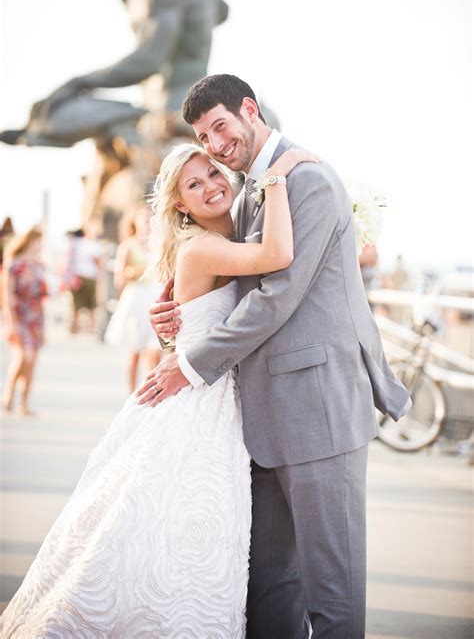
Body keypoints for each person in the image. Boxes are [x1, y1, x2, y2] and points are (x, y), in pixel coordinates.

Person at [0, 143, 317, 637]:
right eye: (195, 185)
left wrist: (169, 334)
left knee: (181, 527)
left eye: (213, 173)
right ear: (179, 206)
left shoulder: (221, 234)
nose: (212, 184)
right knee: (180, 526)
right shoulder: (204, 246)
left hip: (209, 393)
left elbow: (194, 317)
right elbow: (277, 255)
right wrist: (279, 173)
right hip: (198, 402)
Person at [140, 74, 411, 638]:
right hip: (255, 420)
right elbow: (231, 286)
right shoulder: (242, 189)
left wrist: (189, 365)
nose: (214, 145)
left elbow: (278, 296)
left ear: (249, 110)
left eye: (219, 128)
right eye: (203, 137)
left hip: (319, 413)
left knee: (331, 597)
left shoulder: (306, 180)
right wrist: (178, 317)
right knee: (267, 590)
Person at [105, 207, 161, 392]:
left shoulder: (160, 244)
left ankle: (151, 390)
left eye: (150, 218)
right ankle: (131, 392)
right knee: (136, 349)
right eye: (143, 219)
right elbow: (119, 279)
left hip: (155, 295)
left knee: (156, 348)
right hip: (137, 297)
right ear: (135, 221)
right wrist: (136, 271)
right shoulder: (128, 245)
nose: (147, 222)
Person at [1, 227, 47, 416]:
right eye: (38, 240)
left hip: (36, 316)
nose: (40, 244)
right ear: (29, 241)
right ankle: (9, 393)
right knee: (23, 357)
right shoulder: (14, 265)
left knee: (33, 360)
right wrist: (12, 323)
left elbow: (42, 295)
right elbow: (7, 296)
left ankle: (24, 403)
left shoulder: (39, 266)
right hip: (19, 315)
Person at [66, 227, 102, 333]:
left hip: (76, 277)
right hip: (90, 276)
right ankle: (91, 328)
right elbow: (97, 261)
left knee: (75, 304)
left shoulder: (73, 245)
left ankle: (73, 327)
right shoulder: (92, 245)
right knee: (91, 304)